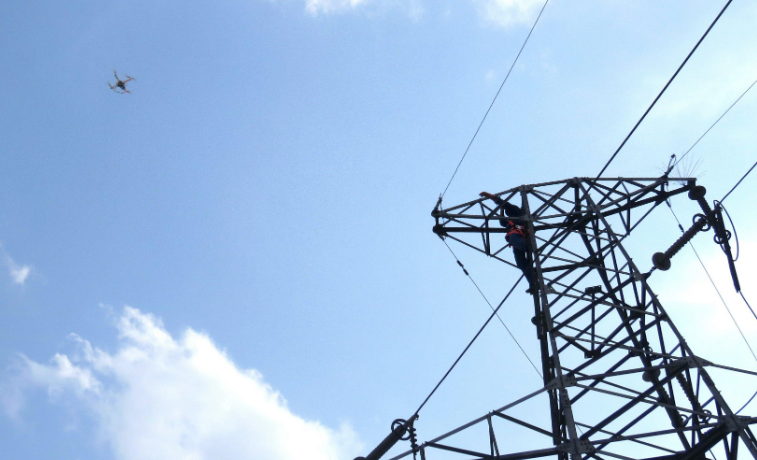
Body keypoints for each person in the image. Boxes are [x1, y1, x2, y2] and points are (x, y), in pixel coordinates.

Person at [480, 191, 537, 293]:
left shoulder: (517, 212)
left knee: (517, 241)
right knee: (521, 263)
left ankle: (529, 248)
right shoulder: (510, 221)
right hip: (517, 239)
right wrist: (501, 210)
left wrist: (490, 196)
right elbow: (502, 222)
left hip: (519, 234)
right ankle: (534, 283)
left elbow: (504, 204)